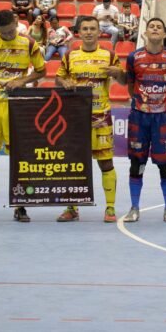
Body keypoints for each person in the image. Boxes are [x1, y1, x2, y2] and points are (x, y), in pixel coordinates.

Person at [0, 10, 46, 222]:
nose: (7, 36)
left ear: (16, 23)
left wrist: (22, 82)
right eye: (3, 33)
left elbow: (42, 71)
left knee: (19, 158)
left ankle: (20, 205)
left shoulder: (29, 43)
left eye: (10, 31)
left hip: (16, 107)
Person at [57, 15, 124, 222]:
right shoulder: (70, 56)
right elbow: (59, 78)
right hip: (76, 119)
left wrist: (118, 73)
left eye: (92, 29)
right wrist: (64, 82)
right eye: (84, 29)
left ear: (99, 32)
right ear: (78, 32)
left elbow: (123, 81)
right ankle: (72, 207)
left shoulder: (109, 55)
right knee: (75, 165)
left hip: (101, 118)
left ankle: (110, 208)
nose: (88, 32)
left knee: (105, 163)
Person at [121, 18, 166, 223]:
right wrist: (142, 103)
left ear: (164, 34)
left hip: (162, 118)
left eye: (159, 27)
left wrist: (162, 104)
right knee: (137, 163)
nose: (155, 29)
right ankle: (134, 208)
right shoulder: (133, 57)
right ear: (145, 32)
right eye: (152, 27)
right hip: (139, 116)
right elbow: (130, 85)